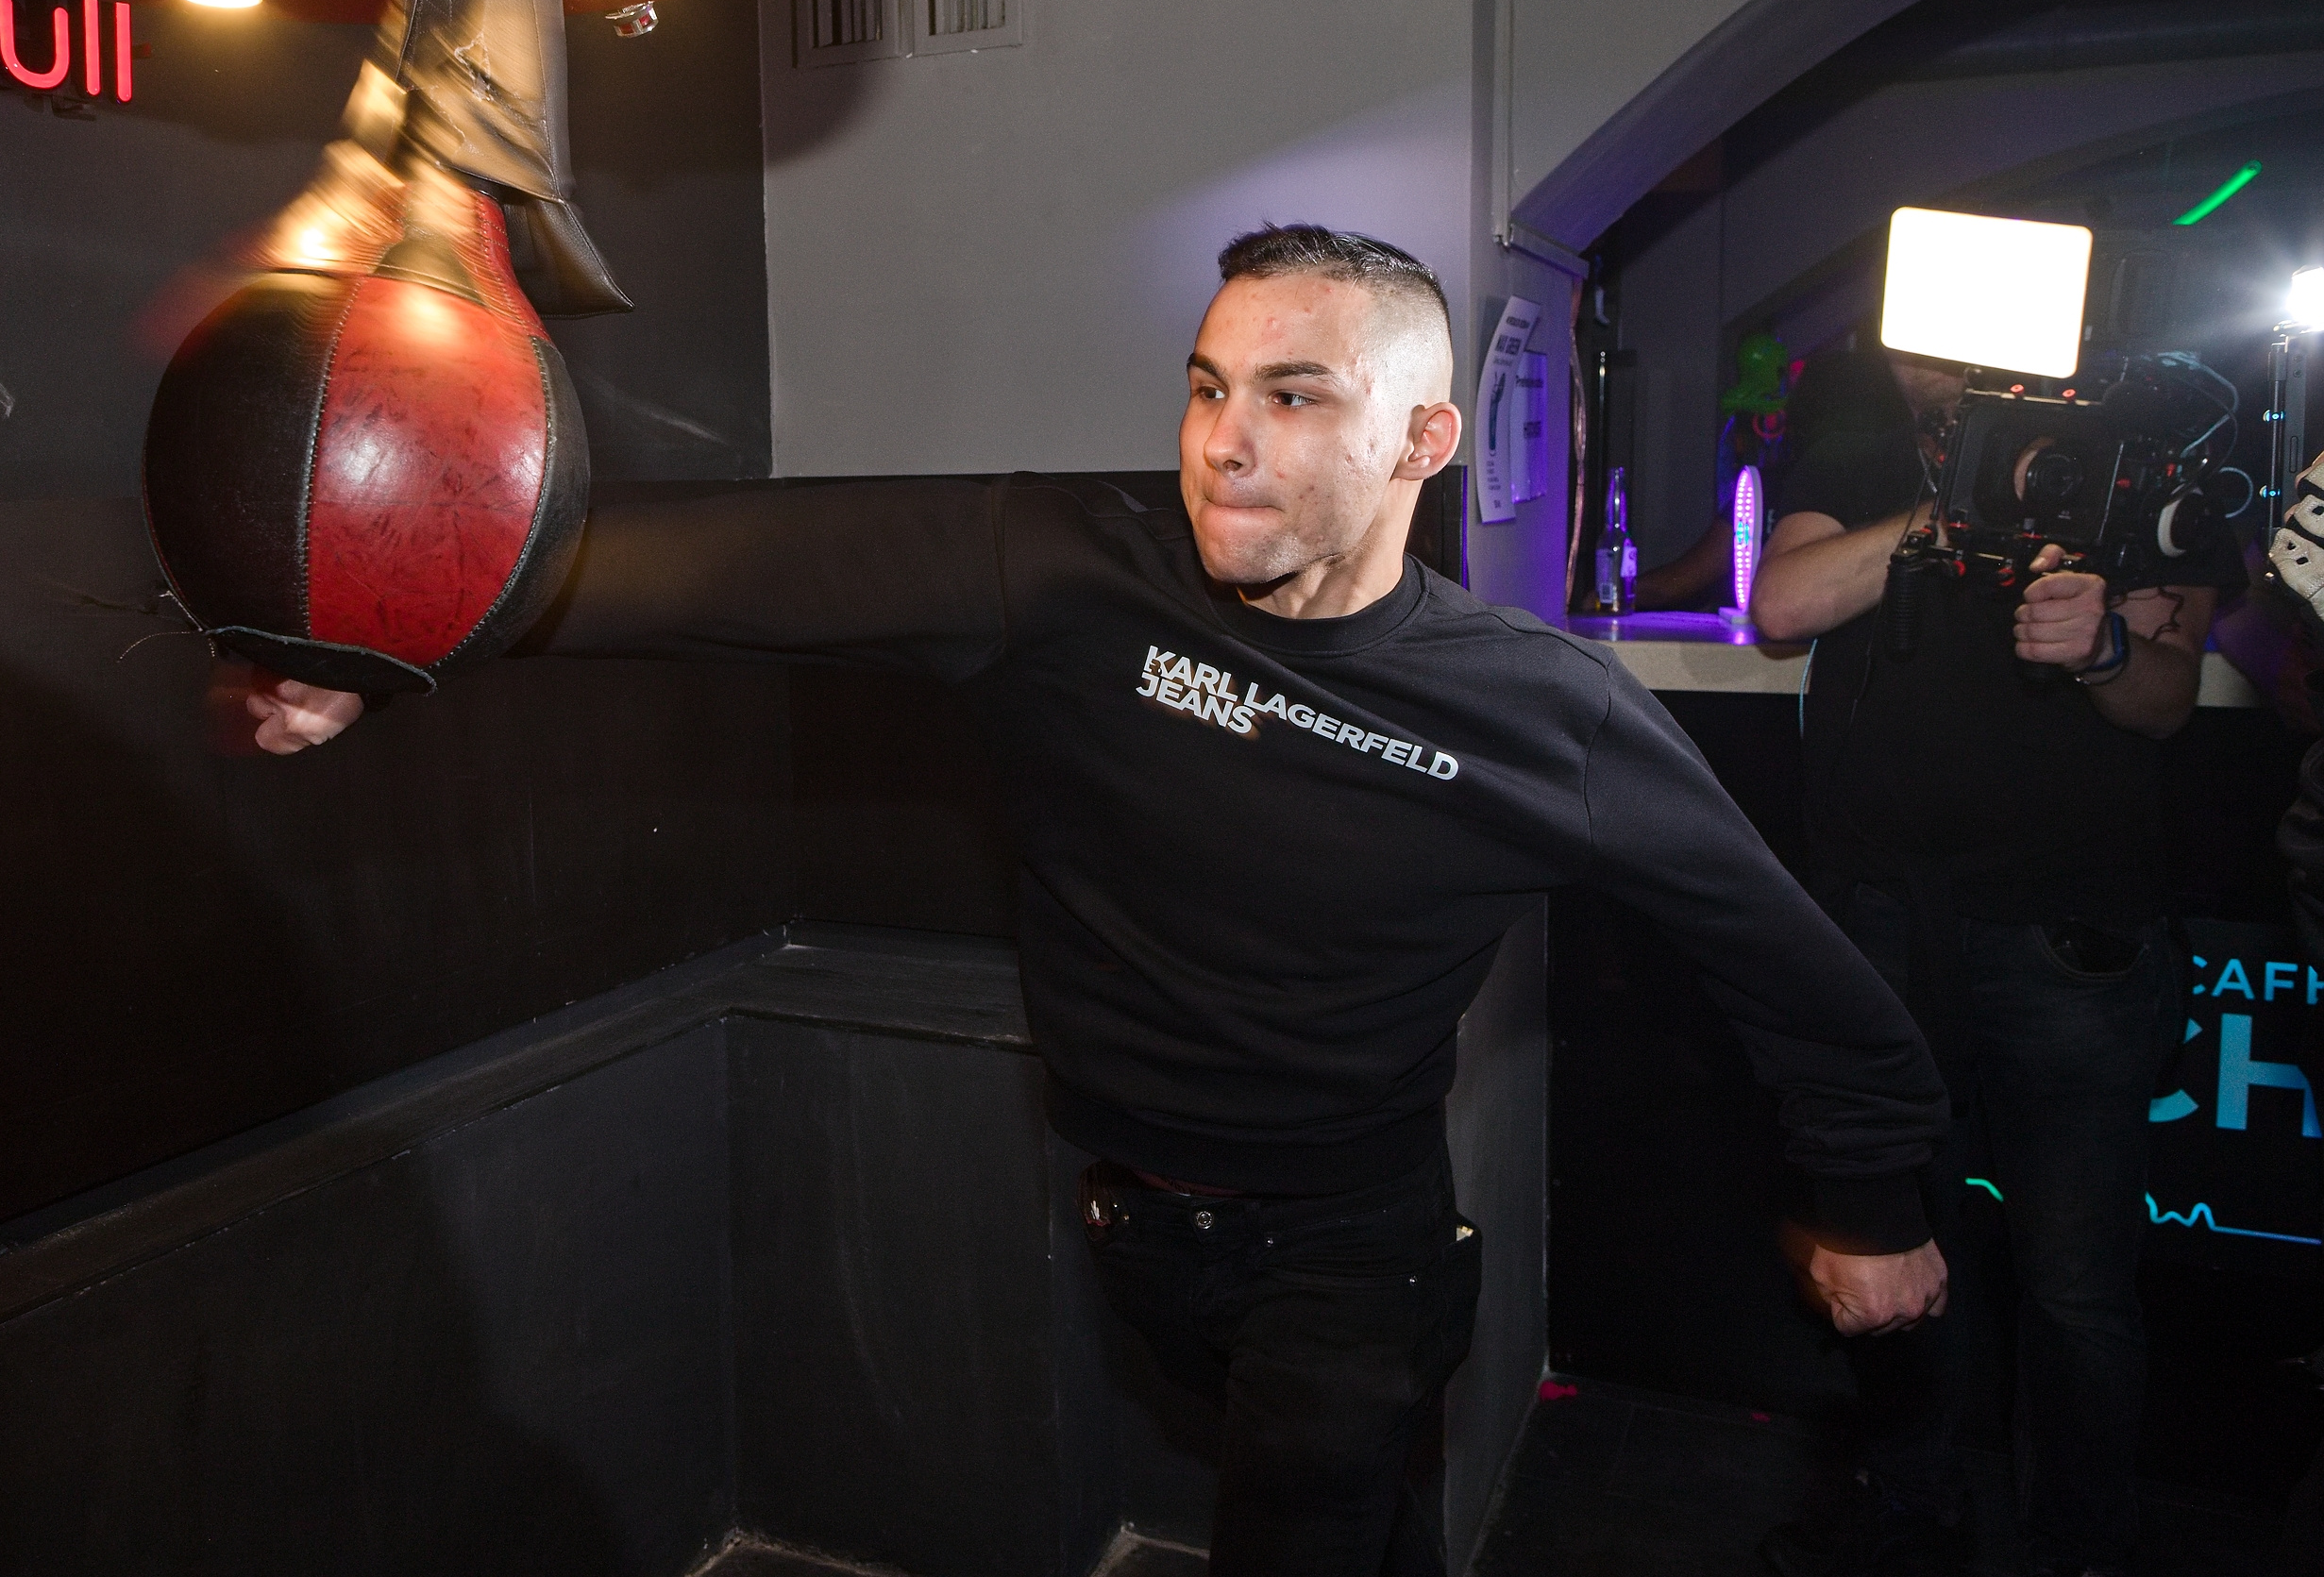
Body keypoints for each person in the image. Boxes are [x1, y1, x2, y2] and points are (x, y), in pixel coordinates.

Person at [251, 226, 1950, 1576]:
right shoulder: (1071, 570)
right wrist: (389, 629)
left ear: (1421, 440)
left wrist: (1871, 1205)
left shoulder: (1539, 709)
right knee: (1364, 1528)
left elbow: (1783, 963)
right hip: (1137, 1227)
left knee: (1304, 1519)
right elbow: (728, 572)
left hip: (1349, 1249)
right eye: (1207, 387)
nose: (1222, 443)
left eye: (1293, 396)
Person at [1749, 348, 2216, 1577]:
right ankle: (1911, 1503)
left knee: (2075, 1278)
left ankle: (2081, 1540)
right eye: (1919, 337)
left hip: (2071, 941)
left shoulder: (2130, 463)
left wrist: (2103, 649)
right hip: (1886, 931)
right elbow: (1780, 606)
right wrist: (1943, 511)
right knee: (1900, 1242)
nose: (1941, 358)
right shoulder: (1864, 457)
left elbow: (2168, 698)